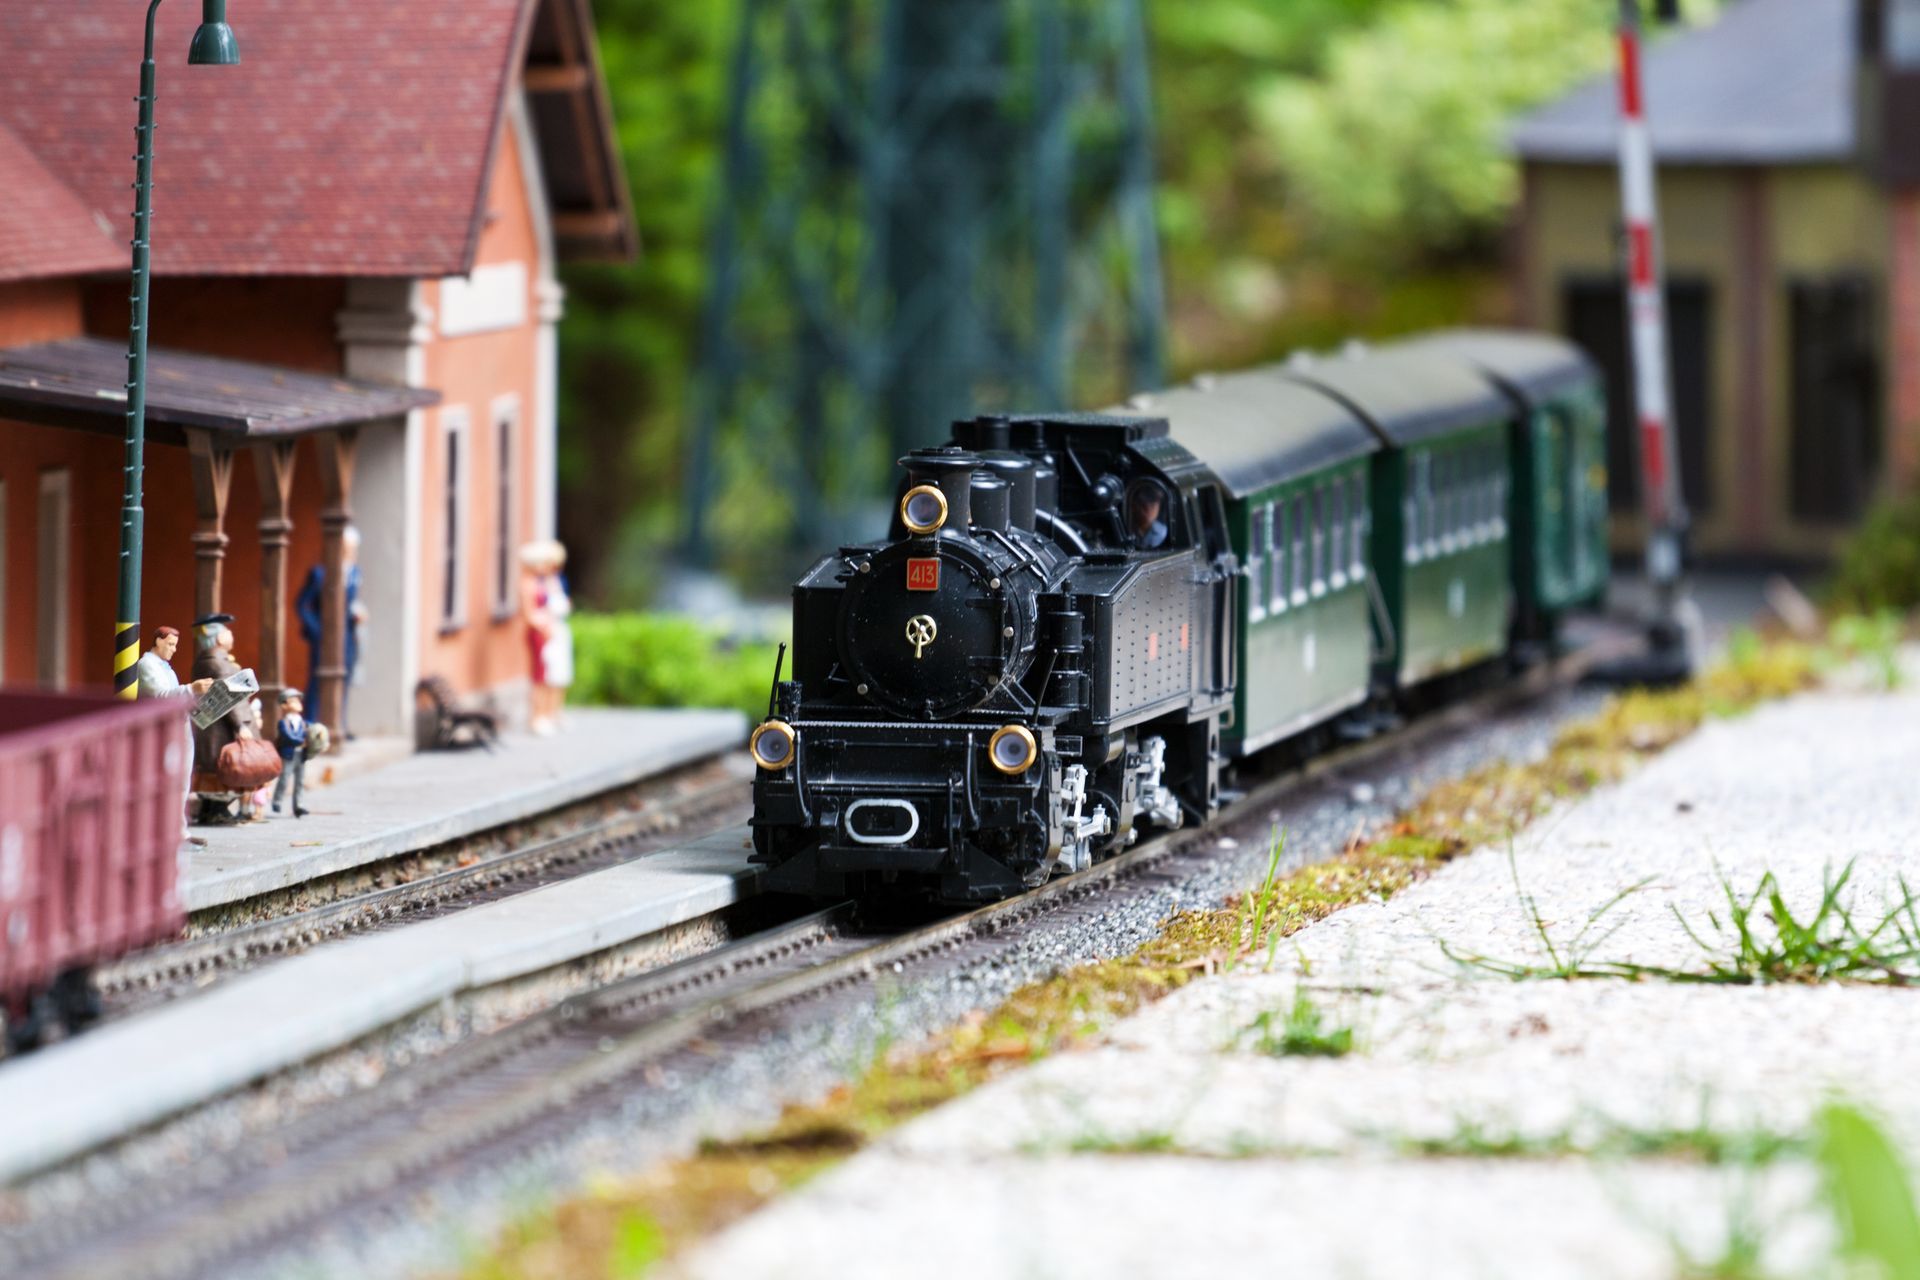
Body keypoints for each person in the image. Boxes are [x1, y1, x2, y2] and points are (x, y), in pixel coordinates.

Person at [135, 624, 215, 831]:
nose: (173, 649)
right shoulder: (146, 665)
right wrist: (191, 688)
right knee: (168, 779)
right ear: (158, 641)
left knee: (181, 780)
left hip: (180, 727)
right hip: (163, 731)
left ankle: (178, 828)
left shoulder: (165, 667)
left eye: (175, 645)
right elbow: (161, 696)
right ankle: (165, 828)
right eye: (170, 644)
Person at [189, 613, 261, 821]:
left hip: (218, 724)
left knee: (219, 770)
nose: (231, 635)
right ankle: (214, 810)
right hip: (220, 727)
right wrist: (240, 725)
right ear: (220, 638)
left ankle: (214, 810)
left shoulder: (214, 660)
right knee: (222, 768)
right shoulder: (216, 662)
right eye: (227, 632)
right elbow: (229, 695)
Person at [296, 525, 366, 738]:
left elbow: (350, 602)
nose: (350, 552)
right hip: (324, 637)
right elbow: (302, 604)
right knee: (317, 680)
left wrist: (356, 615)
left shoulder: (354, 572)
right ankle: (309, 724)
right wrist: (316, 629)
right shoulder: (319, 573)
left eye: (352, 548)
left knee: (344, 678)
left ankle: (339, 723)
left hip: (346, 636)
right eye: (346, 547)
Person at [519, 540, 574, 735]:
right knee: (540, 675)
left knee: (552, 674)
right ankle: (537, 716)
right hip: (540, 633)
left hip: (550, 629)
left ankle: (550, 713)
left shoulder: (545, 582)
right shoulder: (528, 585)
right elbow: (529, 614)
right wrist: (543, 626)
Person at [272, 688, 310, 818]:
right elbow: (288, 736)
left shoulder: (303, 722)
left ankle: (298, 805)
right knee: (284, 778)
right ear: (284, 705)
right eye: (293, 701)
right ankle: (277, 801)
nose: (298, 703)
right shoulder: (283, 723)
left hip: (301, 755)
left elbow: (308, 733)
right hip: (288, 754)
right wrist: (301, 741)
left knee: (300, 781)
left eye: (298, 701)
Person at [1128, 483, 1169, 549]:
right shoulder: (1126, 528)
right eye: (1143, 505)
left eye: (1153, 506)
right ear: (1133, 506)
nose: (1149, 510)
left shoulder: (1163, 532)